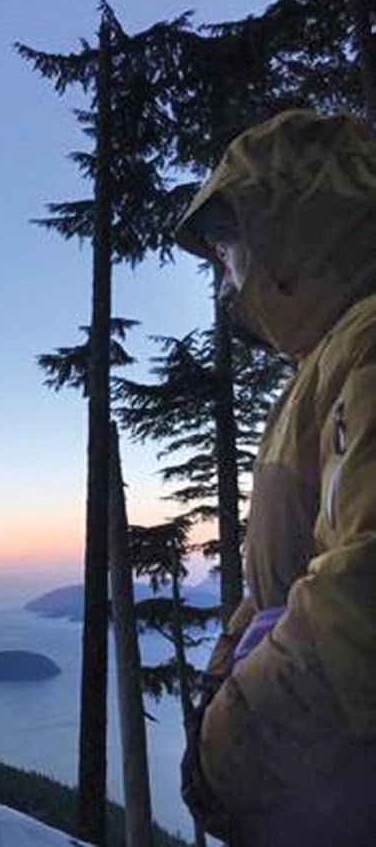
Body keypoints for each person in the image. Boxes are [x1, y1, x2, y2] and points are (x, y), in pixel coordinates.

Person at [175, 109, 376, 847]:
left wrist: (226, 748)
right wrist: (223, 674)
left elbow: (362, 588)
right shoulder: (325, 363)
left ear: (293, 228)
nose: (227, 286)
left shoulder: (368, 343)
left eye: (231, 255)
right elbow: (278, 581)